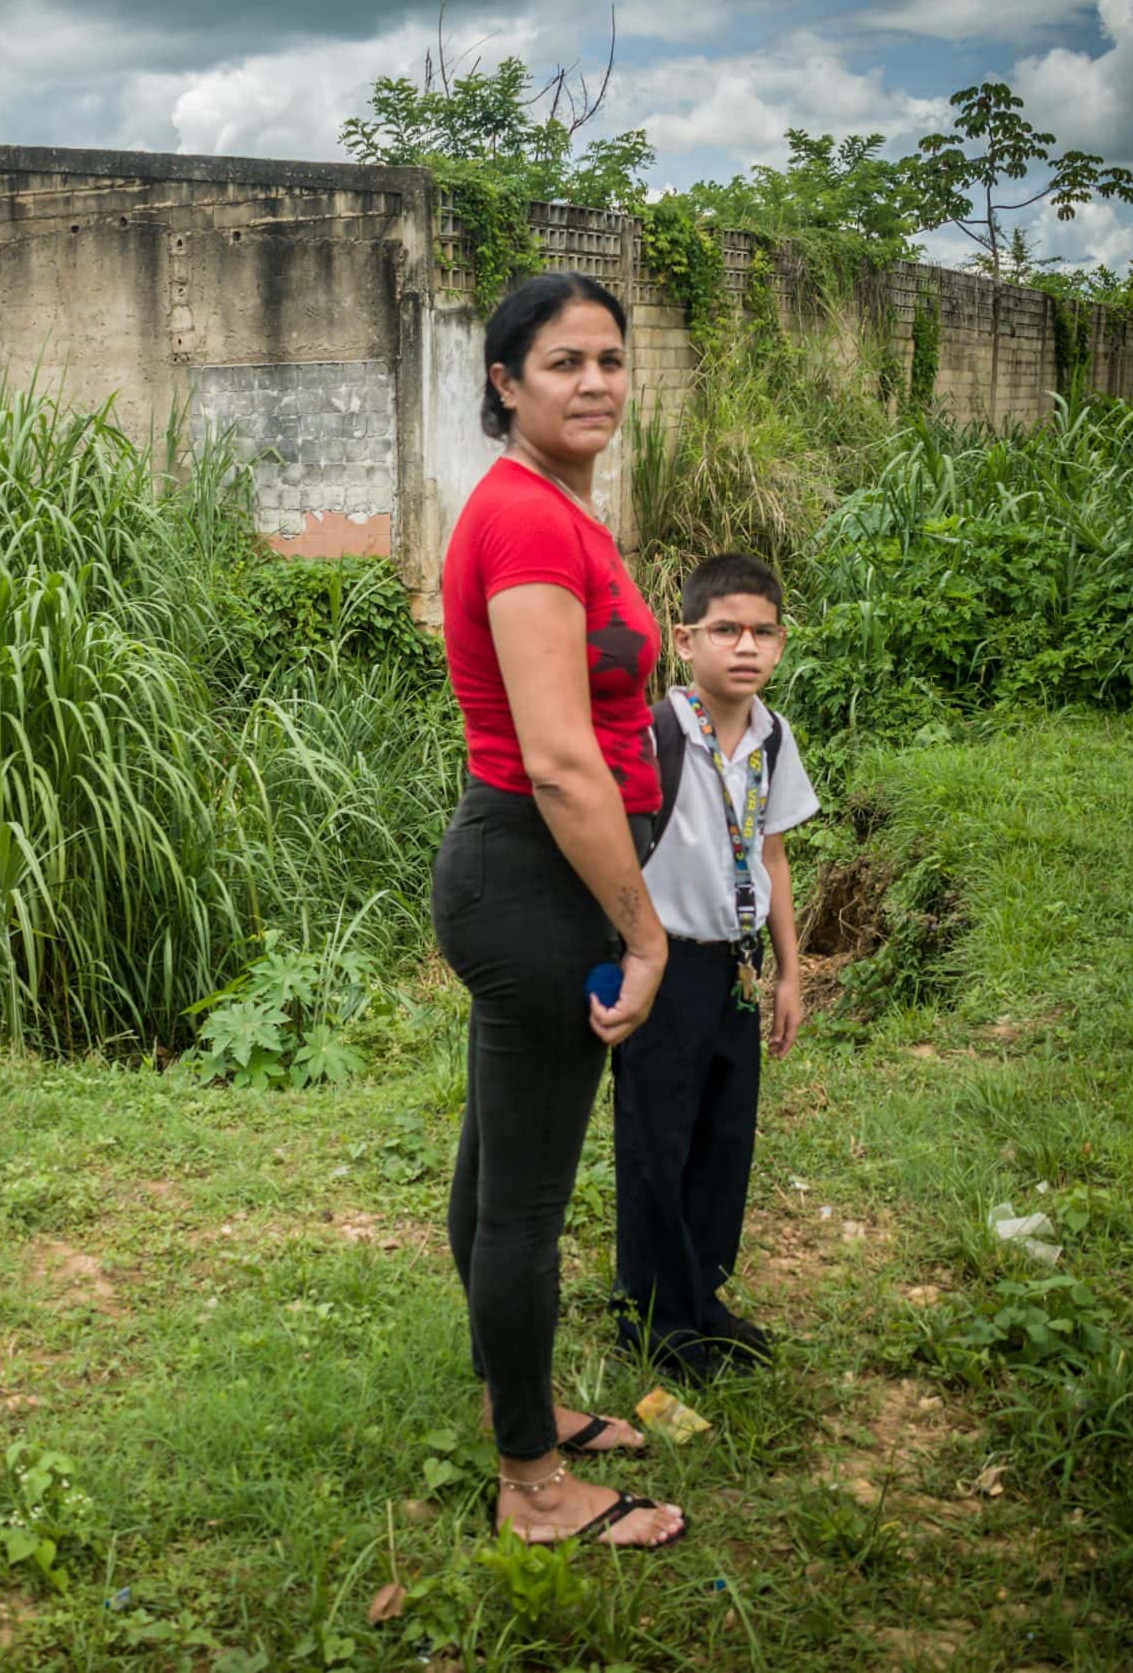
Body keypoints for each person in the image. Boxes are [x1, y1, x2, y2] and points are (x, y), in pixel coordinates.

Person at [431, 271, 686, 1550]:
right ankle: (532, 1485)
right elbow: (560, 761)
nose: (594, 383)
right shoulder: (530, 523)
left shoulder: (550, 507)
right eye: (562, 363)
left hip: (532, 876)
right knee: (523, 1203)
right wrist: (643, 932)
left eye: (610, 359)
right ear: (505, 381)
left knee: (495, 1173)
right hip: (540, 882)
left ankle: (512, 1402)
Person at [609, 552, 819, 1382]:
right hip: (663, 967)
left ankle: (702, 1296)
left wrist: (789, 972)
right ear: (685, 637)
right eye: (726, 629)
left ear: (781, 643)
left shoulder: (772, 737)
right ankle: (653, 1315)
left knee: (724, 1137)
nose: (746, 646)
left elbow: (772, 856)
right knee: (656, 1140)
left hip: (735, 968)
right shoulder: (655, 734)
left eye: (763, 632)